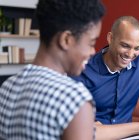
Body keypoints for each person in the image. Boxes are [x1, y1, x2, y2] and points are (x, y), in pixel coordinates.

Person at [0, 0, 105, 140]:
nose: (93, 51)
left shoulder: (7, 87)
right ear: (66, 40)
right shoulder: (74, 99)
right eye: (91, 43)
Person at [73, 16, 139, 140]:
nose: (130, 54)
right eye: (125, 45)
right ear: (110, 38)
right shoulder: (83, 70)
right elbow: (84, 130)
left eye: (137, 48)